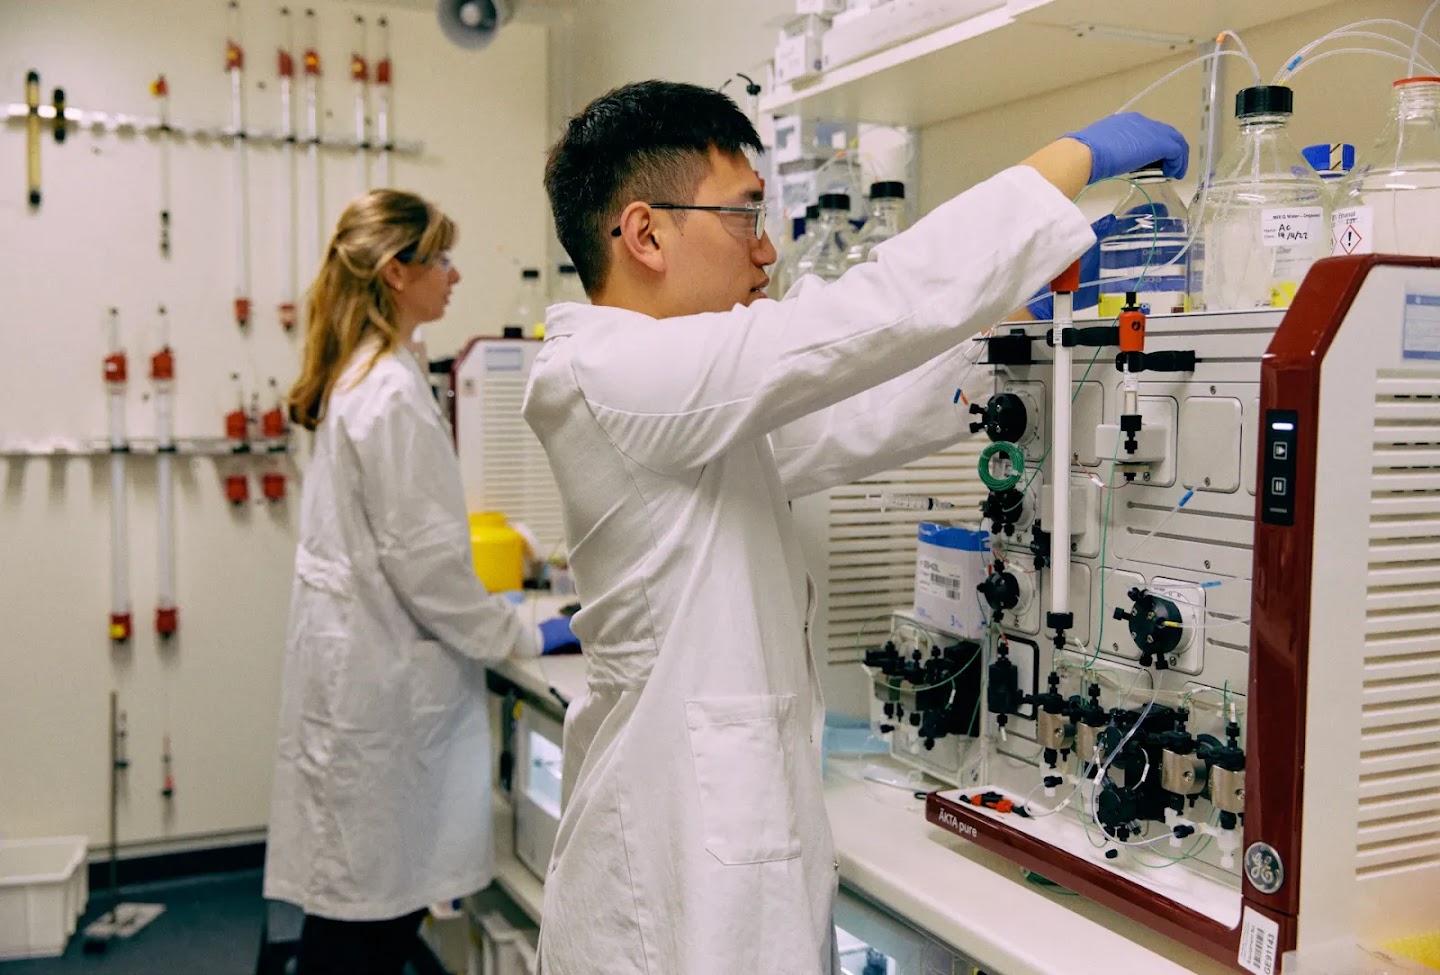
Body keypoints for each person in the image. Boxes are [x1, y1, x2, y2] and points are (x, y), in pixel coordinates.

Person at [523, 81, 1187, 975]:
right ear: (645, 234)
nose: (765, 251)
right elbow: (857, 317)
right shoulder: (608, 373)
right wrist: (1067, 164)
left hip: (721, 855)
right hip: (662, 886)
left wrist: (1018, 332)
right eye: (744, 216)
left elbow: (853, 414)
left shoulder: (686, 403)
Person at [263, 189, 577, 975]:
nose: (454, 274)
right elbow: (429, 567)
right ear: (396, 273)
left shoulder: (368, 372)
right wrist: (523, 630)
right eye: (439, 259)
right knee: (367, 916)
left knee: (362, 906)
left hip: (363, 670)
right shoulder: (392, 392)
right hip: (382, 686)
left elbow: (409, 549)